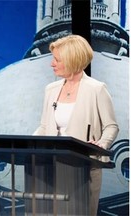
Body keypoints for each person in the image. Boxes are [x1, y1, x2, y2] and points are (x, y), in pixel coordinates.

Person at [33, 34, 119, 215]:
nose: (51, 64)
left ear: (72, 60)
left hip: (84, 167)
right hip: (51, 166)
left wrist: (101, 144)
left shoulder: (96, 89)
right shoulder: (51, 90)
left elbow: (111, 126)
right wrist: (25, 146)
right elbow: (44, 127)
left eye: (57, 59)